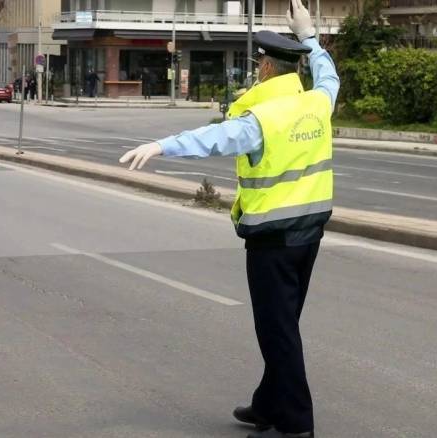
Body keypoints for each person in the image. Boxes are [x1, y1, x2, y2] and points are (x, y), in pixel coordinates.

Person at [119, 1, 339, 437]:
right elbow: (330, 76)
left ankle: (296, 423)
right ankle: (268, 405)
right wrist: (310, 37)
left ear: (267, 70)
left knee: (277, 332)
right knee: (284, 324)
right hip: (310, 234)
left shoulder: (263, 117)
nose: (257, 67)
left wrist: (163, 145)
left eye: (259, 62)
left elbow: (215, 138)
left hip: (273, 240)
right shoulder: (317, 102)